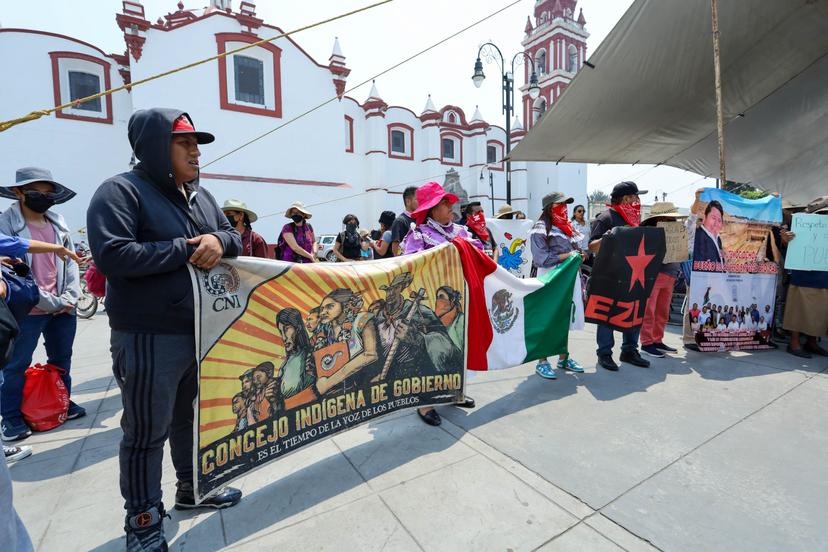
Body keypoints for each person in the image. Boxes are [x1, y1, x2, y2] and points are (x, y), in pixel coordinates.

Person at [87, 109, 243, 550]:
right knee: (145, 432)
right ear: (157, 147)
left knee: (190, 420)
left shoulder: (202, 197)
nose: (196, 153)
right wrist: (186, 249)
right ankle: (142, 520)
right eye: (185, 143)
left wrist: (218, 241)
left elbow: (232, 236)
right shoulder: (120, 192)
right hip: (147, 336)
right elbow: (113, 256)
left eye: (197, 144)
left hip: (198, 329)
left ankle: (192, 490)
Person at [0, 167, 84, 443]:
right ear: (19, 192)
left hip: (63, 308)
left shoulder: (58, 222)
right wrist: (47, 301)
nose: (44, 198)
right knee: (15, 365)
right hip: (27, 309)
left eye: (49, 193)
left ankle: (63, 402)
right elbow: (13, 269)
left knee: (61, 361)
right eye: (37, 192)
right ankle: (11, 417)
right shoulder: (7, 224)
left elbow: (69, 261)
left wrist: (70, 297)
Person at [400, 181, 478, 426]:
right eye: (443, 204)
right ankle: (425, 403)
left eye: (448, 203)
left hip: (458, 299)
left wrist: (461, 247)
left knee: (458, 345)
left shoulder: (461, 231)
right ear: (432, 210)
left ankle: (455, 392)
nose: (450, 207)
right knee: (431, 348)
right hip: (431, 303)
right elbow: (409, 264)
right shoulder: (418, 233)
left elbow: (479, 251)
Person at [588, 181, 650, 371]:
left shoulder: (634, 219)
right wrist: (608, 236)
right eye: (635, 196)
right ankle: (605, 354)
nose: (638, 200)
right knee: (607, 314)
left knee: (633, 310)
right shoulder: (606, 218)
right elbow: (591, 246)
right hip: (609, 275)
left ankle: (630, 350)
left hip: (632, 275)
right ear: (625, 198)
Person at [529, 192, 586, 378]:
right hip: (550, 278)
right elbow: (540, 258)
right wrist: (567, 256)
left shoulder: (566, 227)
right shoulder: (541, 227)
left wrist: (578, 253)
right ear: (550, 207)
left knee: (565, 316)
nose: (565, 208)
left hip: (568, 276)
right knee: (548, 318)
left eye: (566, 204)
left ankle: (563, 357)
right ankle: (542, 361)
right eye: (560, 204)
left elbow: (572, 249)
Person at [783, 196, 828, 358]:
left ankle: (812, 342)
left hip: (824, 276)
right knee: (798, 311)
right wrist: (786, 239)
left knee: (819, 313)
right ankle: (794, 343)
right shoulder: (799, 225)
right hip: (803, 274)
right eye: (823, 212)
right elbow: (788, 245)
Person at [639, 202, 685, 358]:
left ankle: (657, 340)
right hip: (654, 275)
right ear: (661, 217)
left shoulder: (677, 230)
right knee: (649, 311)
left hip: (671, 275)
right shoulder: (650, 232)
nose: (673, 220)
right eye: (670, 217)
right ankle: (646, 343)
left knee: (662, 312)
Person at [693, 200, 726, 267]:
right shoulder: (696, 236)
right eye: (713, 218)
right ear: (705, 218)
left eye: (719, 220)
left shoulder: (718, 238)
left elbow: (721, 259)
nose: (716, 224)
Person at [390, 186, 418, 256]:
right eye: (417, 199)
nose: (421, 202)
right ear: (408, 201)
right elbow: (395, 251)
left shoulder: (421, 219)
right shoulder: (400, 222)